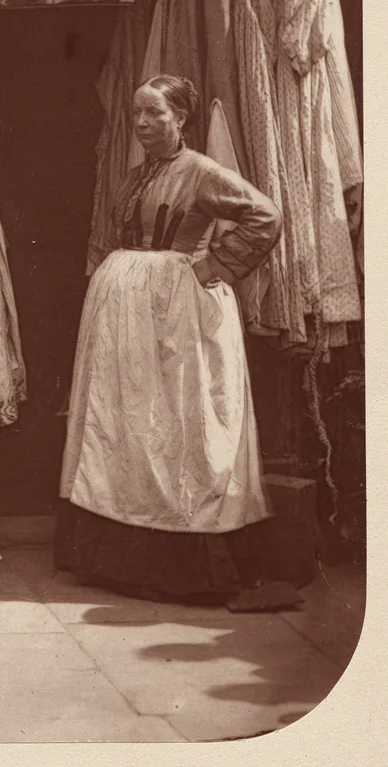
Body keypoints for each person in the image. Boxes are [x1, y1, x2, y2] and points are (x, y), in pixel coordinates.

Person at [55, 75, 282, 603]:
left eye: (154, 114)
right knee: (128, 424)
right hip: (126, 314)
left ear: (180, 118)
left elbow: (265, 215)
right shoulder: (137, 174)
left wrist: (217, 265)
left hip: (176, 312)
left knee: (179, 423)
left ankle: (185, 562)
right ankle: (118, 558)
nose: (141, 124)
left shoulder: (201, 171)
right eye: (137, 113)